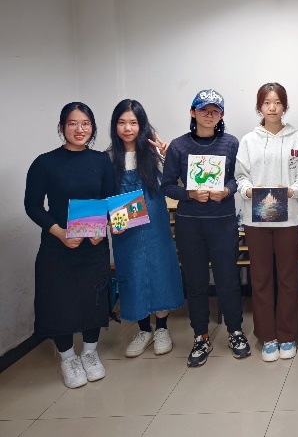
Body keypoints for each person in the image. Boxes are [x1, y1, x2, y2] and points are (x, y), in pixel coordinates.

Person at [24, 103, 115, 388]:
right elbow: (32, 206)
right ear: (62, 127)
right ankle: (67, 357)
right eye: (73, 123)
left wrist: (104, 228)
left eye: (85, 123)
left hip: (93, 245)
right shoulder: (45, 162)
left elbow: (110, 200)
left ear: (92, 127)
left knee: (93, 299)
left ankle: (89, 352)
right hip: (58, 245)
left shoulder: (101, 160)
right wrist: (60, 233)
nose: (79, 129)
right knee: (58, 301)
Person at [161, 89, 250, 367]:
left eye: (215, 111)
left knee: (228, 279)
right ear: (192, 112)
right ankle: (200, 336)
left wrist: (227, 190)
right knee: (196, 282)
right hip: (190, 224)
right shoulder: (178, 146)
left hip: (223, 222)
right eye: (203, 110)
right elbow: (167, 186)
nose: (209, 115)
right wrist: (189, 194)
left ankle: (235, 332)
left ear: (221, 115)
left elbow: (238, 178)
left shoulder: (231, 143)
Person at [236, 83, 298, 363]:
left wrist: (292, 190)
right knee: (261, 277)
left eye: (277, 102)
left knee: (288, 277)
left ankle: (288, 334)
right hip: (257, 218)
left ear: (285, 106)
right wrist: (248, 191)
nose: (272, 108)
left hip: (289, 217)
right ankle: (268, 336)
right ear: (259, 107)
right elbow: (241, 176)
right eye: (267, 102)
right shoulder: (248, 140)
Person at [108, 100, 185, 358]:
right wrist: (108, 221)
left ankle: (162, 328)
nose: (127, 128)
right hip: (125, 229)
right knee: (132, 273)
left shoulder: (153, 154)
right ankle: (143, 330)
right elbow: (101, 195)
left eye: (133, 122)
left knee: (160, 270)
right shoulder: (108, 158)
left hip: (156, 226)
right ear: (114, 126)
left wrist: (168, 156)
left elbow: (180, 182)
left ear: (142, 125)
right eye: (122, 122)